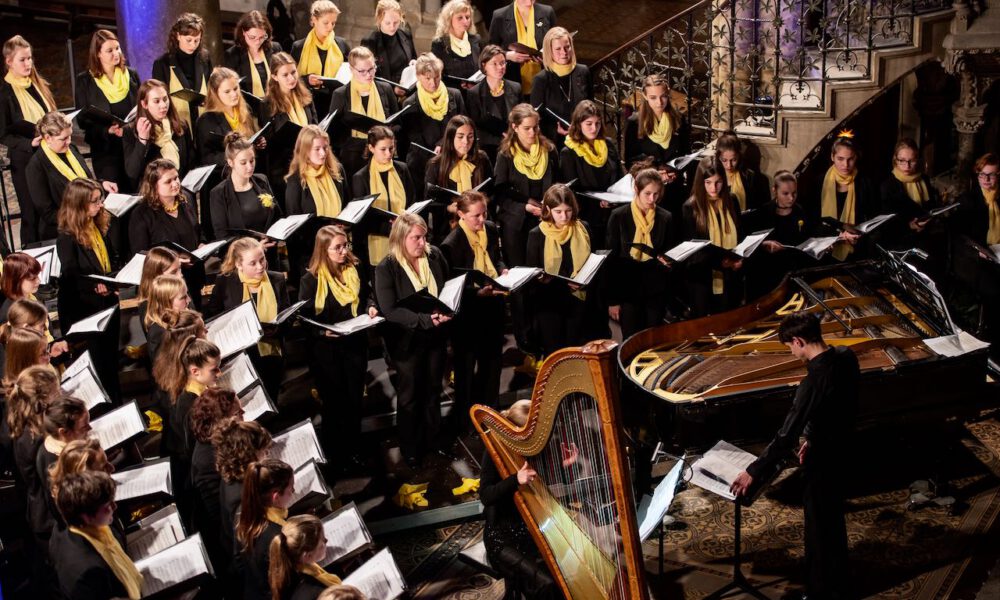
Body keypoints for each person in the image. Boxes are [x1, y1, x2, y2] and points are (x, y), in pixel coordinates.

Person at [730, 311, 858, 600]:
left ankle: (821, 592)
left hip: (823, 461)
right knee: (833, 521)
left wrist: (754, 471)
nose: (790, 352)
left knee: (819, 527)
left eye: (790, 346)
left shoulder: (812, 382)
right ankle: (838, 580)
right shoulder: (846, 356)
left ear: (799, 340)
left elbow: (786, 436)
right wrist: (812, 437)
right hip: (843, 448)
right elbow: (842, 407)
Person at [374, 214, 452, 467]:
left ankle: (434, 440)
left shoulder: (435, 255)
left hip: (435, 338)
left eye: (424, 236)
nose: (422, 242)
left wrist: (447, 310)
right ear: (400, 238)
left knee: (432, 390)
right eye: (416, 238)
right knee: (409, 396)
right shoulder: (387, 267)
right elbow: (390, 310)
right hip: (406, 341)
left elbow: (448, 287)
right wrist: (426, 320)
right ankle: (410, 447)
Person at [299, 225, 377, 473]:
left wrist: (372, 307)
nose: (344, 251)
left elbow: (368, 295)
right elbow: (304, 319)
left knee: (354, 401)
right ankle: (335, 455)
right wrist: (322, 331)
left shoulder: (356, 267)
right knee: (333, 405)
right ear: (324, 250)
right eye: (338, 248)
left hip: (354, 344)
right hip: (327, 351)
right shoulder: (311, 280)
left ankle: (354, 450)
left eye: (346, 246)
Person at [479, 399, 557, 599]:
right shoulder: (493, 451)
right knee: (546, 584)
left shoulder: (532, 447)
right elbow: (486, 496)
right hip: (501, 535)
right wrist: (515, 479)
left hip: (530, 527)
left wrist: (565, 465)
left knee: (563, 571)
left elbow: (540, 478)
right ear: (515, 431)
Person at [441, 191, 507, 420]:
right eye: (476, 216)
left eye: (484, 213)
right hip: (469, 314)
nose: (481, 219)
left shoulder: (490, 228)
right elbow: (451, 285)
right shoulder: (451, 243)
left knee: (493, 363)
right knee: (466, 368)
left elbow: (496, 256)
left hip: (493, 306)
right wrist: (477, 292)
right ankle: (466, 417)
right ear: (461, 214)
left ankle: (492, 412)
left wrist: (502, 269)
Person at [56, 178, 122, 401]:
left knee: (112, 364)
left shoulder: (97, 225)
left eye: (100, 199)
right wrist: (97, 287)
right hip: (87, 313)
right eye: (95, 201)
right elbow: (71, 278)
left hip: (108, 305)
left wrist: (115, 281)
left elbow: (111, 259)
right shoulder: (67, 238)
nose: (100, 205)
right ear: (79, 204)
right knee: (99, 369)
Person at [208, 237, 290, 400]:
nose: (260, 267)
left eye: (262, 260)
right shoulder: (225, 281)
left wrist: (277, 329)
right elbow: (213, 318)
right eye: (253, 263)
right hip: (240, 358)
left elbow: (287, 317)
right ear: (239, 264)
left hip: (270, 354)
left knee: (271, 399)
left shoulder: (277, 279)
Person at [49, 471, 143, 600]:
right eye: (107, 505)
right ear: (86, 517)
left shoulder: (66, 528)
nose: (114, 506)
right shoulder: (89, 568)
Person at [156, 336, 221, 523]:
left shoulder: (193, 392)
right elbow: (198, 448)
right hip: (193, 478)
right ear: (195, 371)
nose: (219, 372)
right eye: (214, 369)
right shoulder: (191, 404)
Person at [605, 167, 675, 339]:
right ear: (636, 190)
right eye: (648, 193)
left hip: (655, 289)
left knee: (653, 340)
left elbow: (670, 254)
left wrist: (668, 262)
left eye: (656, 194)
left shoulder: (665, 217)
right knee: (631, 340)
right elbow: (610, 261)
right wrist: (613, 301)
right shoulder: (619, 216)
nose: (652, 199)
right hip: (628, 289)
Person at [1, 35, 57, 245]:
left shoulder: (36, 85)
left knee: (50, 210)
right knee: (31, 214)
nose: (28, 63)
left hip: (47, 155)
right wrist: (28, 143)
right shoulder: (5, 92)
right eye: (22, 59)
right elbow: (3, 134)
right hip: (25, 160)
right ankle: (30, 262)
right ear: (9, 61)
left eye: (30, 58)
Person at [526, 184, 593, 356]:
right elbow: (532, 274)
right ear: (548, 209)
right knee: (555, 354)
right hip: (549, 303)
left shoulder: (583, 227)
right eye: (558, 211)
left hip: (578, 299)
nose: (564, 216)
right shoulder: (536, 234)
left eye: (568, 210)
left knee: (576, 351)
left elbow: (592, 262)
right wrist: (549, 281)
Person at [128, 159, 206, 308]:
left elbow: (197, 229)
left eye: (176, 178)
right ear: (153, 185)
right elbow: (141, 254)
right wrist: (172, 262)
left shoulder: (186, 200)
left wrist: (201, 243)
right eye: (168, 181)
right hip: (165, 285)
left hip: (192, 276)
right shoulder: (141, 214)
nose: (175, 183)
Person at [26, 111, 115, 240]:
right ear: (47, 138)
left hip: (89, 222)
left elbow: (84, 182)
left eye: (70, 136)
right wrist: (83, 213)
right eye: (63, 139)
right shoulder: (35, 166)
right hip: (65, 232)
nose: (68, 142)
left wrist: (101, 184)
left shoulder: (71, 149)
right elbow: (48, 213)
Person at [197, 68, 261, 239]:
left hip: (246, 179)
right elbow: (206, 158)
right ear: (215, 94)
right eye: (227, 91)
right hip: (223, 183)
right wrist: (233, 158)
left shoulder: (244, 113)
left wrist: (258, 144)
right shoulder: (207, 120)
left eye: (235, 89)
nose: (234, 94)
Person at [494, 103, 559, 267]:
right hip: (516, 223)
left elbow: (558, 183)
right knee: (520, 269)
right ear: (515, 127)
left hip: (545, 218)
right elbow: (500, 193)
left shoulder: (549, 150)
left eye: (535, 127)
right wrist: (525, 207)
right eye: (527, 128)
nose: (532, 132)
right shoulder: (506, 155)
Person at [74, 30, 140, 188]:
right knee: (115, 198)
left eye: (117, 48)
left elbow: (141, 107)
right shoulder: (85, 81)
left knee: (137, 194)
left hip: (132, 145)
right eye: (109, 50)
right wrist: (106, 130)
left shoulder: (131, 75)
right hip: (106, 150)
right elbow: (83, 120)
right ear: (98, 54)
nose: (116, 53)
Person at [401, 53, 466, 210]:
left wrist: (444, 144)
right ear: (418, 76)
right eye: (427, 78)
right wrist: (434, 152)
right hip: (421, 161)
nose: (433, 82)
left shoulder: (454, 95)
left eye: (437, 77)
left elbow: (462, 124)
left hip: (451, 156)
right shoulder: (410, 103)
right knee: (422, 204)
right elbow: (414, 138)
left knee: (447, 206)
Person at [189, 387, 243, 574]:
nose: (244, 416)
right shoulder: (206, 459)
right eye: (238, 413)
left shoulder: (219, 443)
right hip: (225, 541)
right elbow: (219, 515)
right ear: (221, 420)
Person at [681, 156, 744, 317]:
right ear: (700, 183)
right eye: (708, 182)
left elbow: (741, 234)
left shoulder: (732, 201)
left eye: (718, 182)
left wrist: (740, 259)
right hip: (702, 278)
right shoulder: (691, 207)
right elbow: (694, 249)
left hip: (731, 275)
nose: (714, 188)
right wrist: (723, 262)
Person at [328, 46, 400, 179]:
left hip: (383, 154)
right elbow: (334, 134)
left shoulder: (385, 88)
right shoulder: (340, 94)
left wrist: (387, 133)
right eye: (362, 71)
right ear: (351, 69)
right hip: (353, 158)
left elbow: (397, 123)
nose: (368, 75)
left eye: (372, 69)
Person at [214, 417, 272, 576]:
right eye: (264, 451)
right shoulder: (241, 497)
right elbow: (242, 555)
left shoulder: (235, 475)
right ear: (248, 455)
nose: (268, 455)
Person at [952, 153, 1000, 346]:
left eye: (992, 175)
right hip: (974, 259)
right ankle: (991, 337)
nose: (987, 180)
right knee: (994, 289)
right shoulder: (968, 200)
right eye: (983, 175)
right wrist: (978, 251)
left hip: (997, 253)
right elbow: (959, 236)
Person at [560, 100, 622, 248]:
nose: (594, 128)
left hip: (612, 212)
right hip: (588, 216)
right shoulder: (568, 152)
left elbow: (619, 175)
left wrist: (614, 198)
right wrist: (597, 201)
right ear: (578, 124)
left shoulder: (608, 144)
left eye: (598, 123)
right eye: (589, 123)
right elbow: (571, 190)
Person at [351, 126, 415, 266]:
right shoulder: (361, 177)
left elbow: (412, 202)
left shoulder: (402, 169)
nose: (388, 154)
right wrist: (389, 228)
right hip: (377, 241)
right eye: (383, 149)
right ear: (371, 148)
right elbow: (362, 218)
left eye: (391, 148)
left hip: (406, 237)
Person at [744, 170, 813, 299]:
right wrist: (763, 245)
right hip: (765, 276)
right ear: (774, 190)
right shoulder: (762, 213)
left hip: (790, 275)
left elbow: (806, 242)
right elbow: (749, 246)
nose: (791, 198)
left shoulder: (801, 212)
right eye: (785, 193)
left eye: (794, 193)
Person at [424, 115, 492, 237]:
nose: (466, 142)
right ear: (450, 137)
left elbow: (491, 191)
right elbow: (428, 201)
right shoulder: (436, 164)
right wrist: (449, 208)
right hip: (447, 229)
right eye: (460, 137)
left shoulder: (482, 159)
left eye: (470, 137)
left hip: (479, 225)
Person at [263, 51, 318, 202]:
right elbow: (270, 141)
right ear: (274, 77)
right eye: (285, 75)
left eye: (293, 72)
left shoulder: (306, 95)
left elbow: (315, 123)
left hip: (310, 161)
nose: (292, 78)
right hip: (284, 167)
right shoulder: (267, 104)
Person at [238, 458, 295, 600]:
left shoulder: (249, 517)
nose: (294, 491)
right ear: (275, 497)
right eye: (291, 488)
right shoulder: (278, 537)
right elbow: (290, 586)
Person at [814, 133, 876, 261]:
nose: (846, 165)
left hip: (857, 245)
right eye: (840, 159)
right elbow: (814, 218)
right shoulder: (819, 181)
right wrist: (839, 234)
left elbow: (872, 217)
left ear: (856, 158)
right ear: (832, 157)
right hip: (826, 244)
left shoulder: (865, 182)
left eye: (850, 159)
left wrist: (857, 234)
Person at [122, 79, 193, 189]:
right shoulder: (131, 131)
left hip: (180, 190)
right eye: (156, 101)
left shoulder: (181, 125)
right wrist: (142, 140)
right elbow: (132, 172)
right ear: (144, 104)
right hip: (151, 194)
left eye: (165, 99)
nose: (163, 105)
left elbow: (191, 161)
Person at [210, 132, 280, 241]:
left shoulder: (262, 180)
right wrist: (255, 247)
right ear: (230, 162)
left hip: (270, 252)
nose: (250, 167)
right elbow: (222, 236)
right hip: (242, 255)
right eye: (243, 163)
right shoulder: (219, 193)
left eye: (252, 161)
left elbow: (276, 215)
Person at [35, 395, 89, 530]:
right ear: (63, 432)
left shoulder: (49, 444)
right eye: (84, 427)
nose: (90, 428)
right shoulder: (62, 465)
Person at [152, 12, 212, 132]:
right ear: (178, 36)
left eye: (197, 40)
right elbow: (159, 98)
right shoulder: (162, 63)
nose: (193, 45)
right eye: (188, 40)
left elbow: (211, 87)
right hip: (177, 125)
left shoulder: (205, 59)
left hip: (204, 122)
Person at [530, 27, 591, 144]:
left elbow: (590, 105)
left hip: (583, 136)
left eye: (567, 47)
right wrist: (555, 129)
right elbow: (536, 116)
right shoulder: (541, 79)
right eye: (558, 49)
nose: (564, 52)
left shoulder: (583, 71)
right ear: (549, 51)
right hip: (554, 140)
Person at [879, 137, 942, 251]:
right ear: (895, 160)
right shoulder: (887, 185)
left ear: (917, 159)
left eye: (911, 161)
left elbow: (931, 207)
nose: (907, 166)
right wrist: (909, 226)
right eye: (902, 160)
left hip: (924, 239)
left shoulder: (924, 179)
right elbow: (885, 224)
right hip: (899, 244)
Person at [291, 0, 350, 119]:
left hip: (336, 103)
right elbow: (290, 77)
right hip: (309, 104)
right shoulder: (299, 47)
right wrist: (307, 80)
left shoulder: (341, 44)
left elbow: (350, 73)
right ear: (314, 20)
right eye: (326, 23)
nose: (330, 27)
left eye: (333, 23)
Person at [488, 0, 557, 95]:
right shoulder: (500, 15)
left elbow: (555, 42)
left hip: (545, 79)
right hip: (512, 80)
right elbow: (490, 50)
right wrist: (507, 55)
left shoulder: (547, 12)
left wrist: (548, 55)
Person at [466, 45, 521, 161]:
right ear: (484, 65)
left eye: (502, 63)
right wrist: (502, 140)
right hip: (489, 150)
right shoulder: (474, 93)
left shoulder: (516, 88)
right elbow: (475, 128)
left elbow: (522, 118)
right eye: (494, 64)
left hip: (516, 146)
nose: (500, 67)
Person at [269, 515, 342, 600]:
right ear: (307, 556)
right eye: (323, 541)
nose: (326, 540)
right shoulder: (317, 593)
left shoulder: (290, 571)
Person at [360, 0, 417, 99]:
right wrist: (392, 89)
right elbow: (367, 75)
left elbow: (414, 57)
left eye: (396, 22)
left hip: (408, 92)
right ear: (379, 20)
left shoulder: (405, 34)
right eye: (387, 23)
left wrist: (414, 63)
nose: (392, 26)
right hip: (384, 96)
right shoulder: (370, 41)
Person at [225, 10, 283, 98]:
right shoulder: (232, 55)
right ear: (243, 32)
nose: (257, 42)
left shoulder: (275, 48)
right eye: (252, 37)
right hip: (248, 106)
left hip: (276, 102)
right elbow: (230, 87)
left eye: (262, 37)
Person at [430, 0, 483, 90]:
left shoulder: (476, 40)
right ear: (449, 19)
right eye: (460, 18)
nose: (465, 21)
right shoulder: (439, 44)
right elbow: (437, 75)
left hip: (475, 95)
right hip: (452, 95)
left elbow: (483, 68)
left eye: (467, 17)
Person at [715, 131, 771, 212]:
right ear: (718, 157)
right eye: (724, 160)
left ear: (739, 156)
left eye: (733, 160)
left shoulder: (750, 177)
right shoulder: (713, 175)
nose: (729, 165)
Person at [141, 273, 189, 363]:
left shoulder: (178, 320)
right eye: (183, 297)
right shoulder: (159, 333)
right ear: (166, 302)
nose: (188, 300)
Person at [0, 252, 43, 322]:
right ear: (16, 279)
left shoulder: (31, 296)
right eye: (32, 278)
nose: (39, 281)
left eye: (37, 276)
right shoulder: (10, 315)